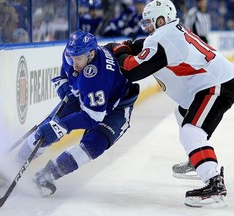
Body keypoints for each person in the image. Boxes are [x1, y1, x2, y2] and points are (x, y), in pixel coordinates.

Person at [106, 0, 234, 207]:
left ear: (160, 19)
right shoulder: (169, 32)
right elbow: (143, 45)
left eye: (149, 22)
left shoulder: (163, 38)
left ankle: (213, 182)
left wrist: (119, 50)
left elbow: (131, 70)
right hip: (210, 82)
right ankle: (198, 160)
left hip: (216, 83)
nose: (146, 26)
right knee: (182, 112)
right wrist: (124, 46)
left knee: (191, 132)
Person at [11, 30, 140, 196]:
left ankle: (47, 175)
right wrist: (63, 82)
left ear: (91, 54)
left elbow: (93, 118)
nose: (74, 63)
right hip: (86, 98)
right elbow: (66, 70)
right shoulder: (73, 54)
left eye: (78, 59)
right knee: (45, 130)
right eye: (71, 57)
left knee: (94, 144)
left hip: (116, 108)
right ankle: (15, 166)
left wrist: (63, 126)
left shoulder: (98, 76)